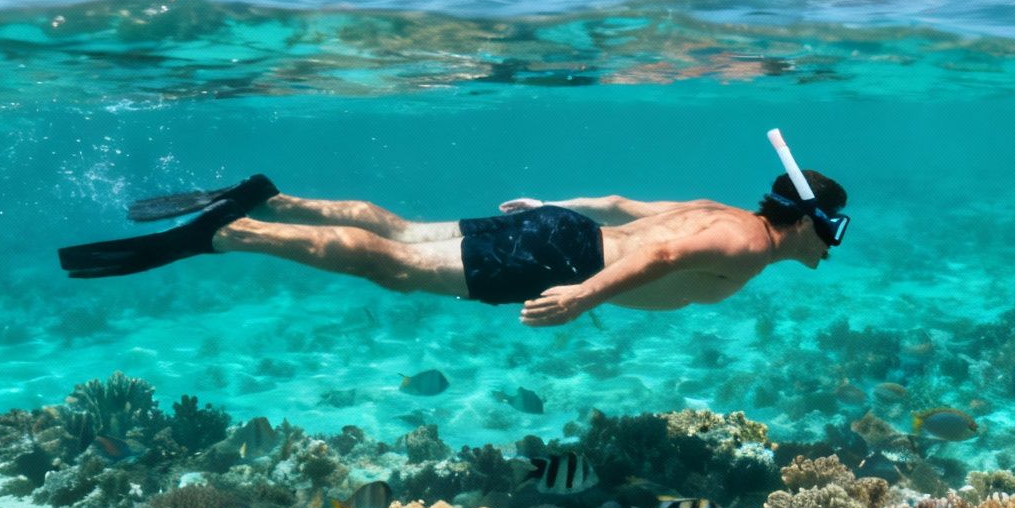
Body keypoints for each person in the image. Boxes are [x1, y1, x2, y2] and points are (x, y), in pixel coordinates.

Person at [56, 170, 847, 328]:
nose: (831, 249)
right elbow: (662, 262)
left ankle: (270, 194)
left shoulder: (715, 207)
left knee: (396, 228)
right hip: (564, 263)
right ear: (808, 221)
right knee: (391, 265)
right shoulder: (748, 247)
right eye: (834, 233)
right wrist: (581, 297)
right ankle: (233, 231)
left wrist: (547, 207)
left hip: (563, 234)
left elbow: (619, 205)